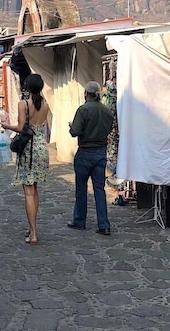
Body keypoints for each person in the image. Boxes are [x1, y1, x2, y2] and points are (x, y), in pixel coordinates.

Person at [0, 74, 50, 245]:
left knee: (28, 192)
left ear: (27, 87)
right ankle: (32, 228)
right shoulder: (45, 105)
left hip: (29, 150)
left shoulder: (24, 104)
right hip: (41, 148)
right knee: (35, 190)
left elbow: (21, 128)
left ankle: (34, 232)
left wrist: (6, 126)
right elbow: (46, 131)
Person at [68, 81, 114, 235]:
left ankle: (79, 220)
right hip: (100, 152)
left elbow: (75, 131)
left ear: (86, 94)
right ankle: (104, 224)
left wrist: (71, 126)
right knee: (99, 189)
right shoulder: (107, 111)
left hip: (85, 152)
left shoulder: (83, 110)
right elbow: (109, 129)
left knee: (81, 189)